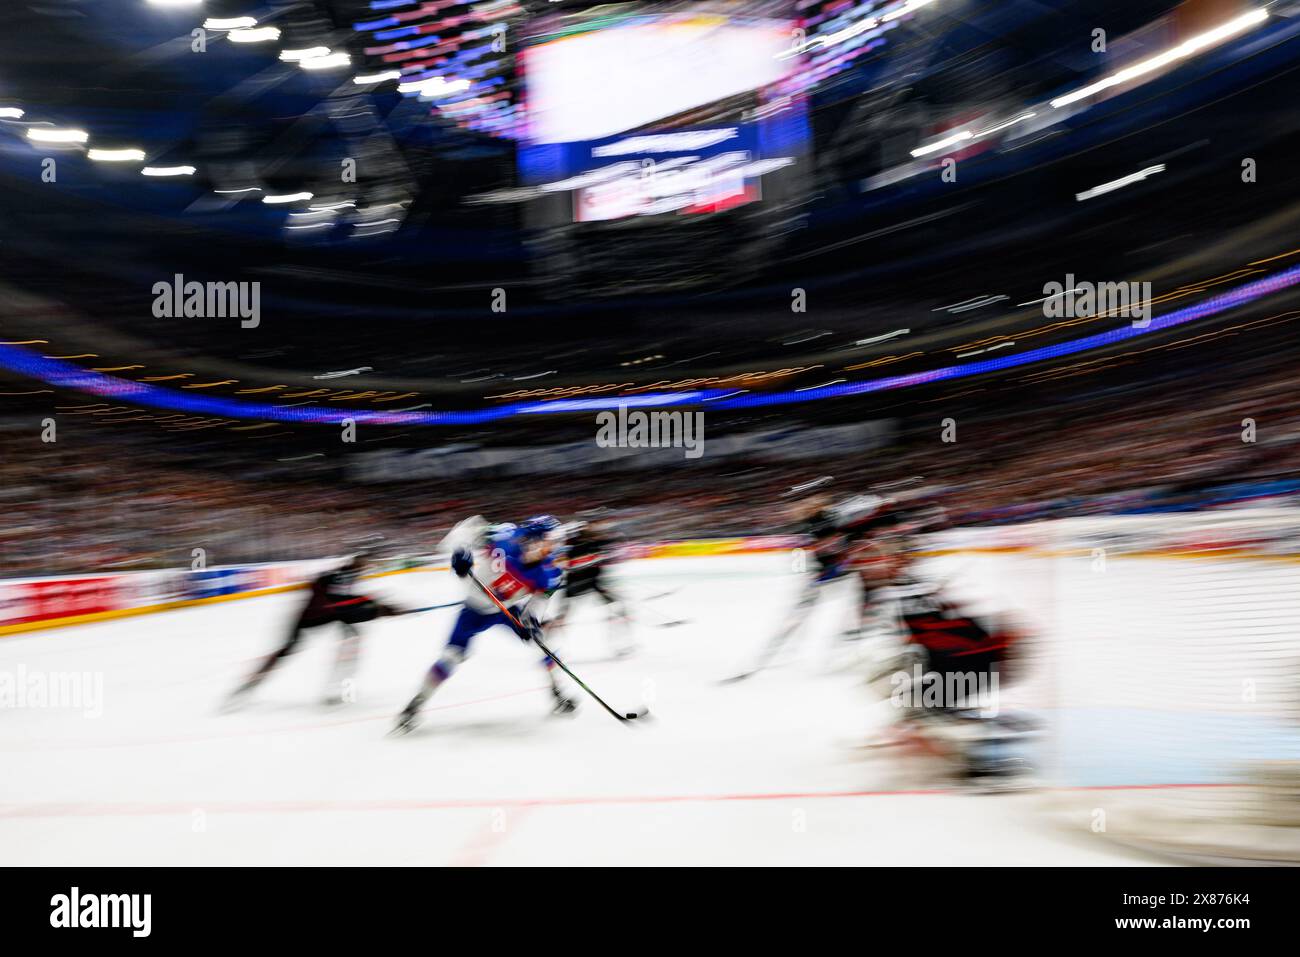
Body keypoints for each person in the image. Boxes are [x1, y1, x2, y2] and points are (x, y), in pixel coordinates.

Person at [391, 515, 572, 736]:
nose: (554, 546)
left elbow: (539, 601)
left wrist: (531, 621)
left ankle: (557, 692)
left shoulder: (551, 572)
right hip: (473, 610)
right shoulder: (504, 535)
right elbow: (464, 529)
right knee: (451, 657)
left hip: (506, 611)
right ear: (534, 539)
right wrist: (460, 552)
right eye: (550, 540)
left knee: (544, 642)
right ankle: (415, 705)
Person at [224, 551, 400, 709]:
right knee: (285, 653)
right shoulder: (341, 575)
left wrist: (373, 605)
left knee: (351, 639)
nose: (364, 570)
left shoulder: (343, 575)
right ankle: (246, 688)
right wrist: (375, 607)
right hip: (311, 617)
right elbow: (340, 601)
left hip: (321, 615)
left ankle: (338, 689)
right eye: (363, 566)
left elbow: (343, 601)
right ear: (357, 565)